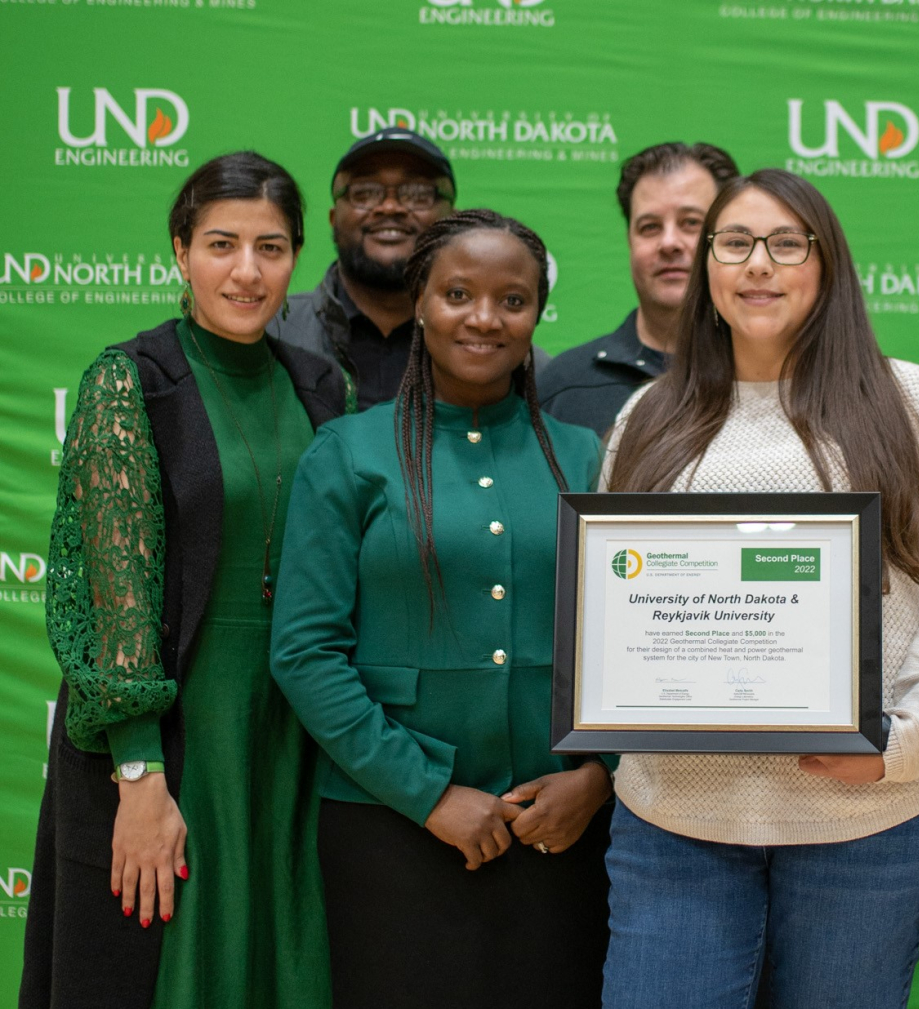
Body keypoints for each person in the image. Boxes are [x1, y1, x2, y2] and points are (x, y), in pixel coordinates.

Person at [599, 168, 919, 1009]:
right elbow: (611, 603)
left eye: (788, 243)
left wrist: (902, 740)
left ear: (828, 266)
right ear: (709, 267)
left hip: (868, 818)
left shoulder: (908, 399)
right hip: (674, 819)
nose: (759, 265)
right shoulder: (646, 416)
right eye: (736, 243)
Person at [21, 152, 348, 1009]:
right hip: (174, 734)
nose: (247, 271)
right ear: (179, 251)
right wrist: (139, 776)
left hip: (290, 731)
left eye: (271, 247)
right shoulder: (128, 383)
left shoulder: (320, 386)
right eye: (222, 243)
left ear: (297, 259)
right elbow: (109, 588)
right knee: (164, 963)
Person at [269, 210, 614, 1009]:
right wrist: (427, 792)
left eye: (513, 299)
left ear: (536, 314)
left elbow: (633, 647)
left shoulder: (586, 455)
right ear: (420, 302)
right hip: (389, 829)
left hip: (556, 829)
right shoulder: (348, 452)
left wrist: (599, 778)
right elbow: (305, 652)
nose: (485, 318)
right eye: (458, 293)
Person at [538, 141, 738, 435]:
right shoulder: (563, 387)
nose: (669, 242)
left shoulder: (773, 381)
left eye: (691, 223)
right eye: (650, 227)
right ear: (630, 241)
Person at [268, 127, 458, 410]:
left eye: (418, 194)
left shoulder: (491, 348)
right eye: (365, 192)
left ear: (453, 219)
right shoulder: (271, 334)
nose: (390, 207)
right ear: (334, 217)